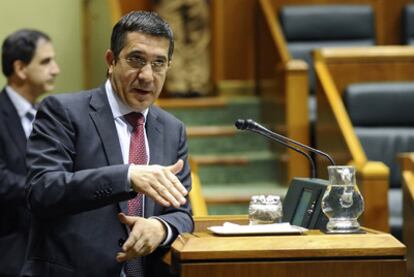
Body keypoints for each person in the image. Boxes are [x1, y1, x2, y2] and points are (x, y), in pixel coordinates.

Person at [21, 11, 193, 277]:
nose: (147, 75)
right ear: (111, 61)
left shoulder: (173, 129)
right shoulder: (63, 112)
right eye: (136, 60)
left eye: (159, 63)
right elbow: (42, 191)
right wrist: (126, 176)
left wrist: (161, 227)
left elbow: (182, 213)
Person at [0, 29, 60, 276]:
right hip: (10, 251)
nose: (56, 69)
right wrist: (53, 190)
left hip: (52, 251)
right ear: (20, 69)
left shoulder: (53, 115)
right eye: (46, 62)